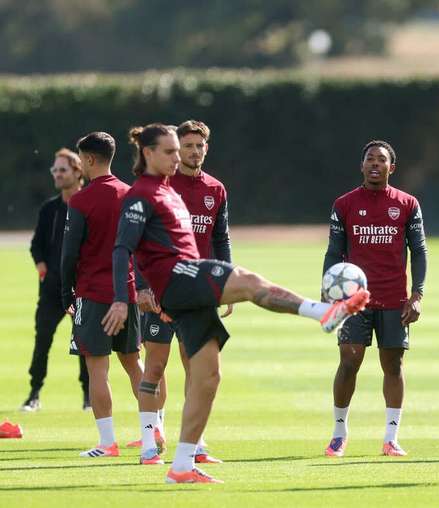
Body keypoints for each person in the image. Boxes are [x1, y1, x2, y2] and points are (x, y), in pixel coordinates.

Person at [108, 123, 369, 483]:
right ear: (148, 153)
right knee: (247, 281)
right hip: (178, 277)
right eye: (170, 151)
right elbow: (122, 248)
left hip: (185, 285)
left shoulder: (172, 190)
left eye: (179, 150)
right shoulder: (140, 195)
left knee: (209, 376)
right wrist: (125, 298)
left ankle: (182, 464)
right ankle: (322, 312)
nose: (178, 156)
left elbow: (214, 235)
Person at [131, 120, 231, 465]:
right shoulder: (160, 187)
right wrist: (142, 286)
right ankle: (149, 441)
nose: (192, 152)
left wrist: (226, 283)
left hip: (198, 293)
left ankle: (195, 443)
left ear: (207, 148)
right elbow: (135, 244)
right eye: (185, 146)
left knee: (197, 369)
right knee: (155, 367)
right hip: (160, 291)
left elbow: (221, 239)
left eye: (198, 146)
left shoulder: (216, 189)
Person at [322, 140, 427, 458]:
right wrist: (330, 291)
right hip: (355, 301)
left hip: (395, 299)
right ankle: (339, 433)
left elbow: (419, 251)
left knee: (393, 365)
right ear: (362, 165)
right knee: (349, 361)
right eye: (370, 159)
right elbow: (333, 251)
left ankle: (391, 438)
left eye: (382, 160)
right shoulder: (345, 204)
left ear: (391, 168)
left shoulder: (407, 204)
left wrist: (417, 294)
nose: (375, 164)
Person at [61, 132, 145, 458]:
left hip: (93, 294)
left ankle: (107, 442)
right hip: (127, 293)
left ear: (90, 160)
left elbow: (69, 254)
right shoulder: (131, 194)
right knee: (135, 365)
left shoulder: (81, 200)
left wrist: (64, 291)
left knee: (98, 368)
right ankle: (155, 431)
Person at [23, 148, 89, 412]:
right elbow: (36, 245)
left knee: (84, 343)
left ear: (77, 171)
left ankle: (88, 397)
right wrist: (42, 268)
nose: (57, 175)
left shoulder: (88, 204)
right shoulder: (49, 209)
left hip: (83, 288)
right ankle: (34, 394)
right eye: (55, 170)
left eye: (62, 170)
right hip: (51, 289)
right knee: (43, 340)